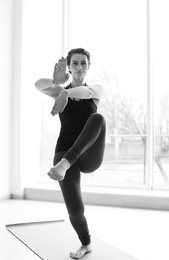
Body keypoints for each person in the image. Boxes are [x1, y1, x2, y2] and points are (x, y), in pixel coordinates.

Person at [35, 48, 106, 259]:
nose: (79, 67)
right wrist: (57, 83)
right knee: (75, 210)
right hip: (65, 154)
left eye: (83, 63)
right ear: (69, 67)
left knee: (98, 119)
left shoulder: (95, 89)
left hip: (89, 153)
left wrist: (65, 92)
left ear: (89, 65)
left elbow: (86, 93)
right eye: (74, 63)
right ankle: (86, 244)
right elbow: (38, 85)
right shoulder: (60, 90)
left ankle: (66, 163)